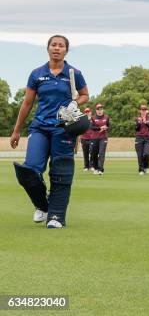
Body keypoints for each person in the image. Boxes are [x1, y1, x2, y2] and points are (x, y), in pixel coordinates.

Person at [9, 35, 89, 228]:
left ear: (66, 51)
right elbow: (27, 103)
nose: (57, 48)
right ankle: (42, 205)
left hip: (63, 128)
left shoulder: (74, 73)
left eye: (61, 46)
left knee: (61, 172)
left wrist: (74, 102)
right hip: (40, 127)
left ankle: (56, 216)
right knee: (29, 170)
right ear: (48, 48)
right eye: (54, 45)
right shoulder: (37, 74)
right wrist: (16, 130)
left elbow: (85, 94)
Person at [90, 103, 110, 175]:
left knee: (101, 153)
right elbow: (91, 127)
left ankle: (100, 169)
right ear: (96, 110)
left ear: (102, 110)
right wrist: (100, 128)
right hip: (95, 138)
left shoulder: (106, 117)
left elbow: (108, 126)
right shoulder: (93, 117)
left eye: (101, 109)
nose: (100, 111)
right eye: (98, 109)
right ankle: (95, 168)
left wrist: (106, 128)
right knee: (94, 154)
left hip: (103, 138)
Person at [135, 104, 149, 175]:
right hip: (139, 138)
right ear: (140, 111)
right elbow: (136, 129)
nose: (143, 111)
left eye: (144, 110)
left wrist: (146, 122)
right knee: (140, 155)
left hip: (148, 138)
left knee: (147, 153)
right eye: (142, 110)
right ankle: (141, 169)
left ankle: (147, 166)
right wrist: (139, 123)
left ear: (146, 111)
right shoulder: (137, 118)